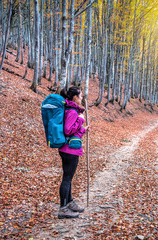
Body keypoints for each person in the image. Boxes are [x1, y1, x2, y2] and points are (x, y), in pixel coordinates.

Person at [58, 86, 90, 219]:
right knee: (67, 179)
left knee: (68, 178)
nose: (82, 98)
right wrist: (81, 120)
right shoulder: (71, 111)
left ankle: (69, 203)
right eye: (81, 96)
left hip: (70, 148)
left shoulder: (72, 110)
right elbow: (67, 130)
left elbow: (74, 132)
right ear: (75, 97)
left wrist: (83, 129)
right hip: (69, 150)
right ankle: (63, 209)